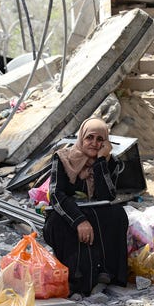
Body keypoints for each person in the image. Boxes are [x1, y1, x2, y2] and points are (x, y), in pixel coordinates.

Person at [42, 117, 129, 295]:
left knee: (117, 214)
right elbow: (56, 195)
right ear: (81, 138)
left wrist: (100, 163)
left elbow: (107, 196)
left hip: (95, 212)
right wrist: (79, 221)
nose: (94, 143)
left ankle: (106, 272)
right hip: (68, 213)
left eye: (100, 139)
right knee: (56, 223)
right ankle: (77, 278)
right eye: (90, 137)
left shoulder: (110, 162)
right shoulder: (63, 158)